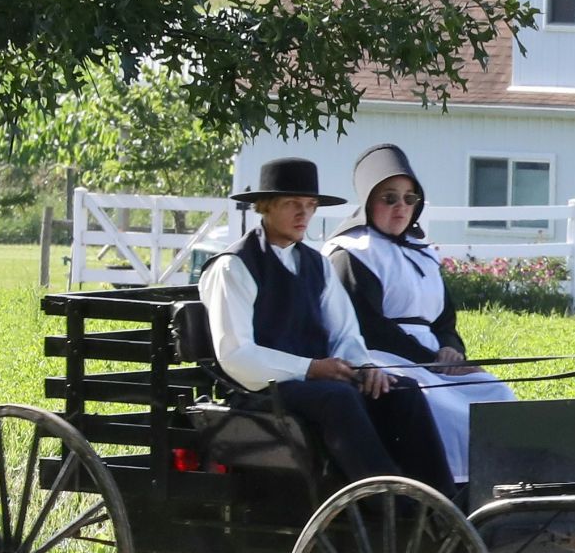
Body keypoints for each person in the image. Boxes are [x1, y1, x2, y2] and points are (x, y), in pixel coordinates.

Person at [197, 156, 454, 493]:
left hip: (314, 381)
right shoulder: (234, 267)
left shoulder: (316, 264)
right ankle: (386, 500)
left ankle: (440, 499)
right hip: (258, 390)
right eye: (292, 204)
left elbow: (345, 332)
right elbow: (236, 355)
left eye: (310, 205)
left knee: (400, 390)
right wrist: (311, 368)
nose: (303, 214)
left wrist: (363, 366)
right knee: (337, 399)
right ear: (265, 207)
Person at [325, 143, 515, 485]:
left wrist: (451, 349)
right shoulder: (351, 253)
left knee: (496, 394)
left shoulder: (424, 255)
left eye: (409, 199)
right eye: (390, 198)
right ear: (369, 201)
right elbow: (368, 327)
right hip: (382, 359)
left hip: (432, 361)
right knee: (445, 410)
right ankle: (457, 489)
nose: (401, 208)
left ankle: (505, 481)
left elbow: (444, 319)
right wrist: (430, 359)